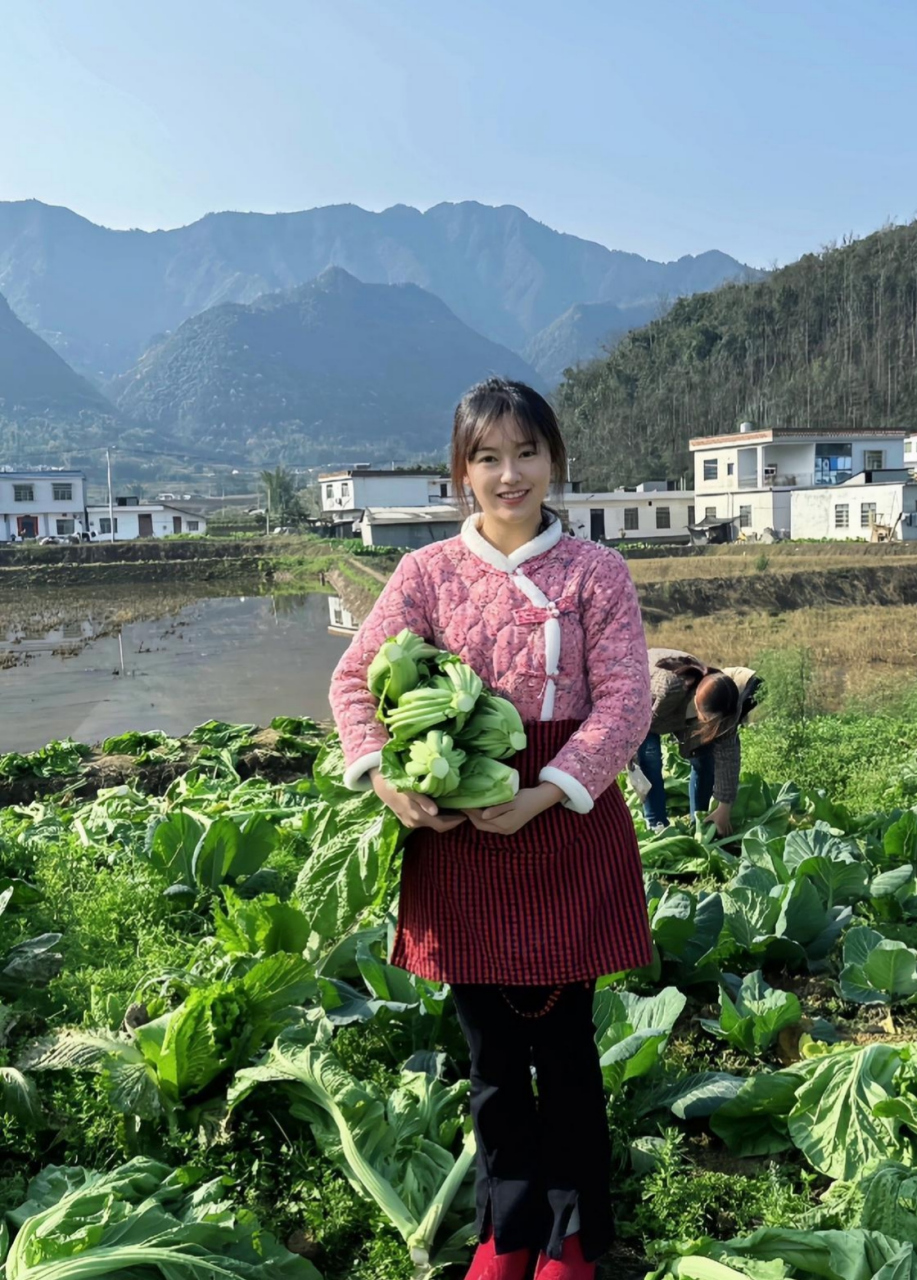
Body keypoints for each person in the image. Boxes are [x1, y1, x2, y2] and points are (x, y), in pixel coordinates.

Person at [330, 378, 652, 1280]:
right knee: (493, 1061)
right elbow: (354, 683)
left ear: (555, 461)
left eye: (527, 453)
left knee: (567, 1050)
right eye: (487, 457)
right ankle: (506, 1237)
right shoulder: (425, 574)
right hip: (458, 841)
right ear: (460, 471)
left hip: (565, 826)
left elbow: (626, 702)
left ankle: (573, 1237)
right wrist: (387, 782)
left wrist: (547, 790)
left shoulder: (596, 574)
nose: (509, 475)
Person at [638, 649, 760, 835]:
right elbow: (637, 719)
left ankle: (699, 821)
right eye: (710, 721)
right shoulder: (669, 689)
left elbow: (729, 758)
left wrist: (724, 808)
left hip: (680, 708)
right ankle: (656, 823)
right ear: (698, 706)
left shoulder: (725, 704)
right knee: (650, 756)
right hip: (643, 703)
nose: (714, 726)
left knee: (704, 759)